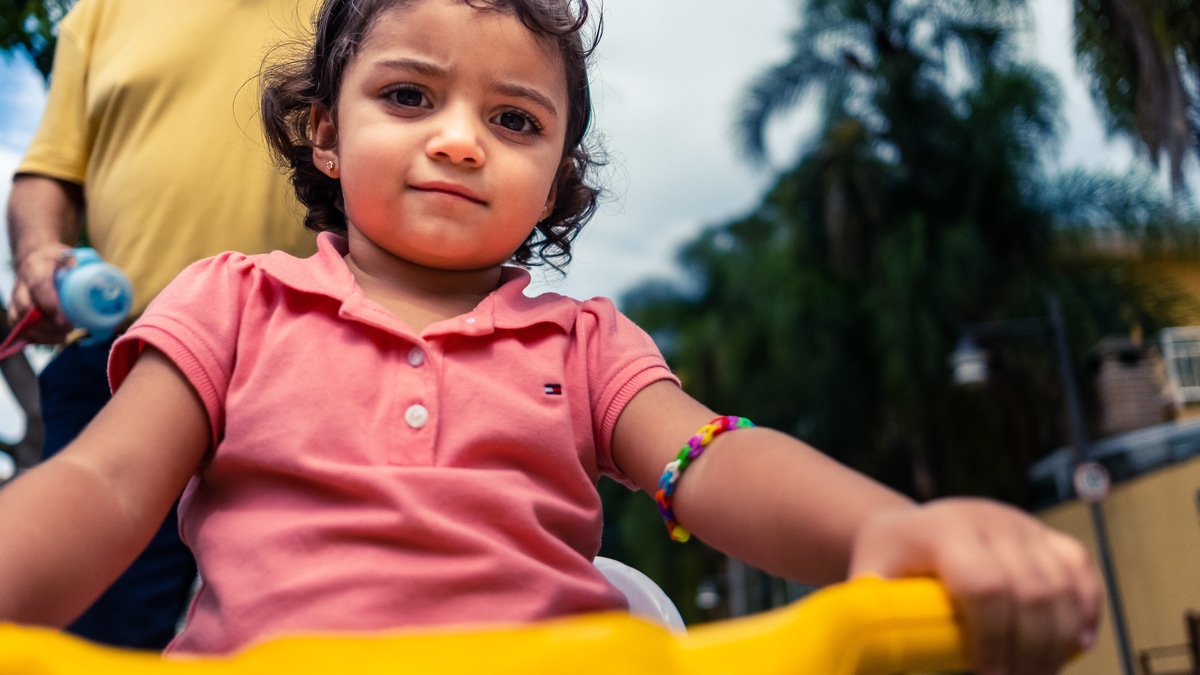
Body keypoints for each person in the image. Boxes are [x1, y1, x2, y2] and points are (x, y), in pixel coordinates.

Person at [0, 0, 1101, 672]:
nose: (461, 141)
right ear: (326, 135)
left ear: (556, 181)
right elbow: (102, 488)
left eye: (514, 119)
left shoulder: (579, 345)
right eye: (408, 95)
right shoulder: (232, 301)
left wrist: (892, 530)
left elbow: (704, 455)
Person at [4, 0, 318, 649]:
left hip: (321, 367)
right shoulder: (101, 10)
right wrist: (38, 256)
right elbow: (49, 172)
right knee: (87, 643)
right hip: (118, 358)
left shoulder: (369, 8)